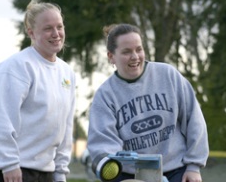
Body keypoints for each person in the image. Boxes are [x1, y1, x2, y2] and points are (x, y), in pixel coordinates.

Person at [87, 23, 209, 182]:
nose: (135, 57)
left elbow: (194, 120)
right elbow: (103, 144)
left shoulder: (168, 75)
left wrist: (194, 166)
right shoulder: (105, 95)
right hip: (131, 175)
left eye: (139, 49)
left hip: (176, 170)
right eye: (126, 52)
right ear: (111, 56)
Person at [0, 0, 76, 182]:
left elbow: (66, 126)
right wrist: (9, 164)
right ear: (31, 32)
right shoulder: (15, 67)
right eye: (48, 28)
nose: (56, 34)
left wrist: (61, 170)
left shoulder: (67, 73)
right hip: (10, 169)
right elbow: (1, 120)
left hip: (45, 170)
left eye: (59, 27)